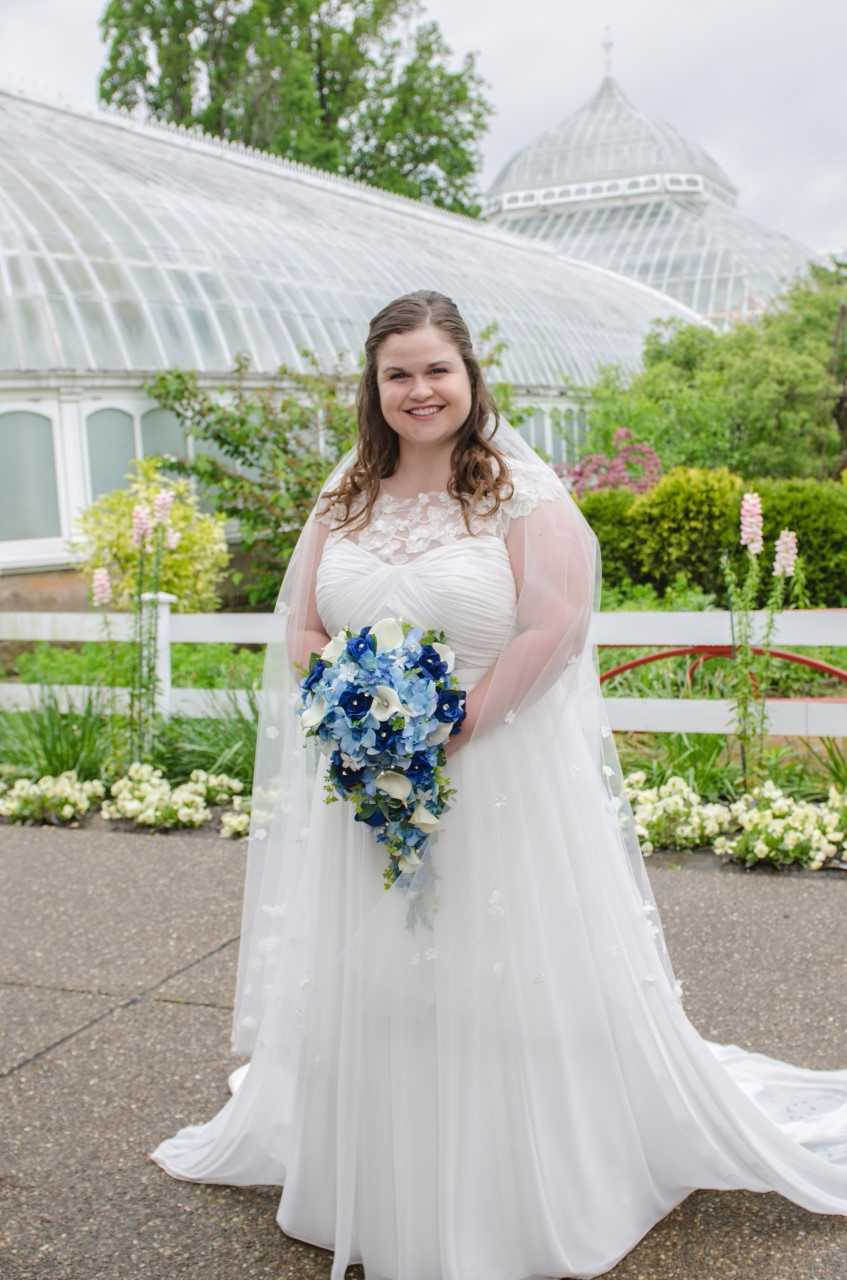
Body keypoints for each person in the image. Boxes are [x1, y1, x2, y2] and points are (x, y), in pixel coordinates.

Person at [150, 291, 847, 1279]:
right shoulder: (345, 491)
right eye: (398, 373)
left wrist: (447, 727)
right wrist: (354, 707)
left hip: (494, 779)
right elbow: (304, 625)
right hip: (372, 783)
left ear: (469, 375)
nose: (418, 389)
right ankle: (386, 1180)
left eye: (436, 368)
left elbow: (551, 627)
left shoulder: (519, 489)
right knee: (385, 973)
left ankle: (506, 1188)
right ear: (375, 386)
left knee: (495, 973)